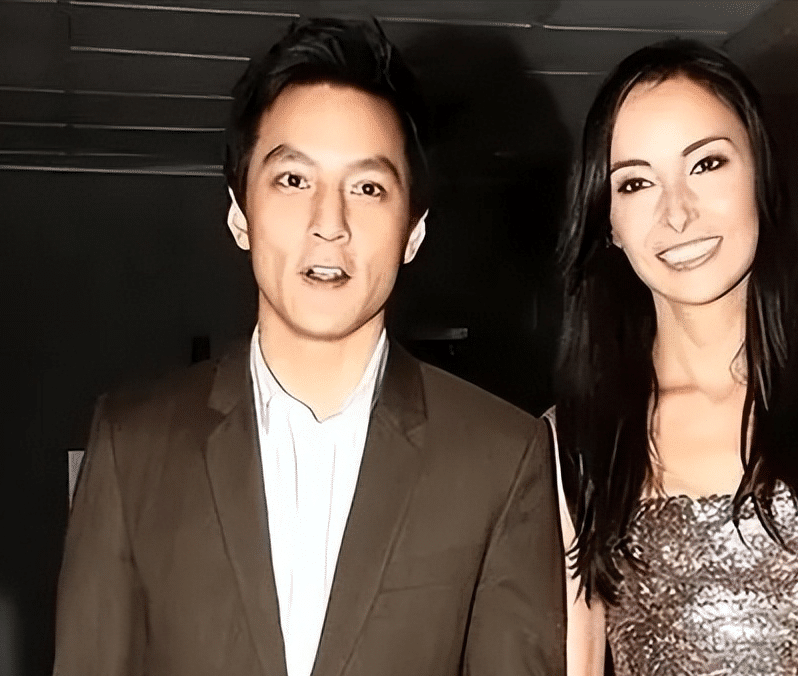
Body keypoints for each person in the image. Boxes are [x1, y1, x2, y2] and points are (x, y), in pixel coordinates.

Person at [54, 18, 564, 676]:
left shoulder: (502, 457)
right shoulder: (134, 446)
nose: (330, 224)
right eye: (294, 180)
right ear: (240, 214)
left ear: (413, 232)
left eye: (367, 188)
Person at [551, 39, 798, 675]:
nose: (677, 213)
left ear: (762, 177)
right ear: (608, 224)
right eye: (635, 183)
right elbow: (576, 662)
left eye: (707, 164)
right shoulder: (573, 433)